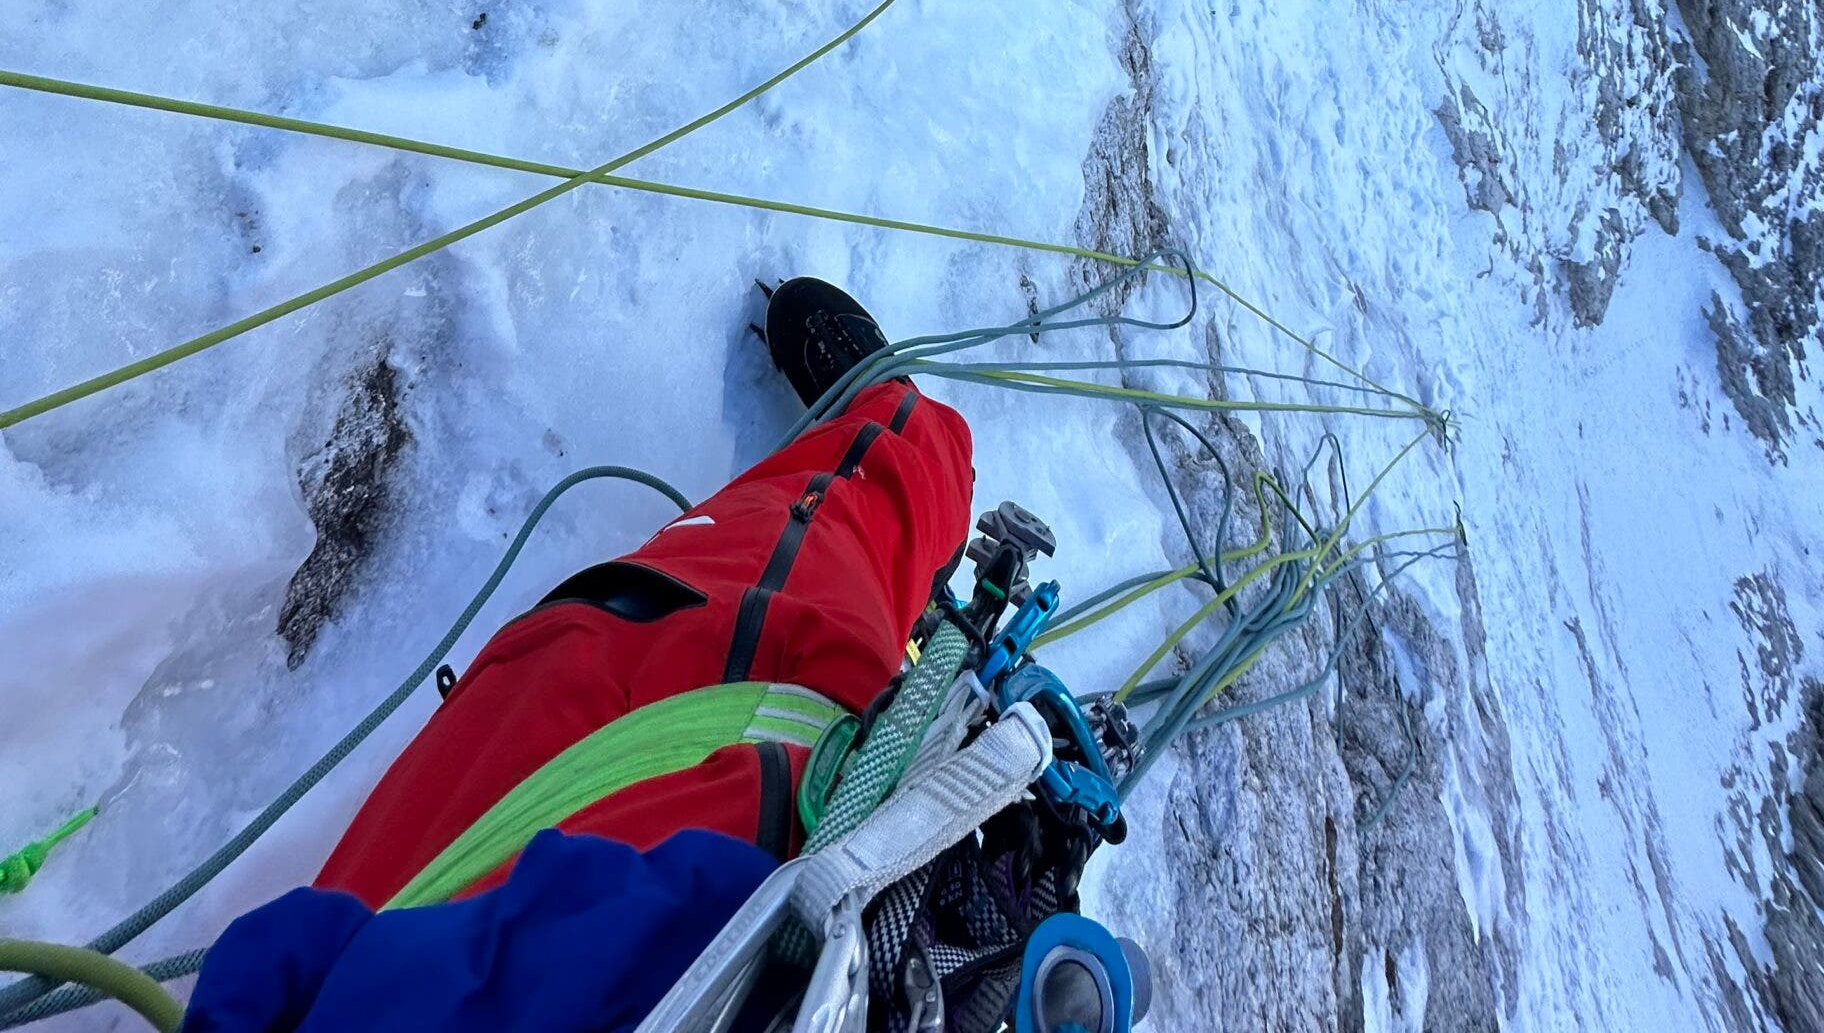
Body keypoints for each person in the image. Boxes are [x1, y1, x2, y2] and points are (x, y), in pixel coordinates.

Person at [181, 282, 1142, 1032]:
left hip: (676, 806)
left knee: (837, 540)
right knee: (845, 575)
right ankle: (902, 446)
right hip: (425, 911)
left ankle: (893, 426)